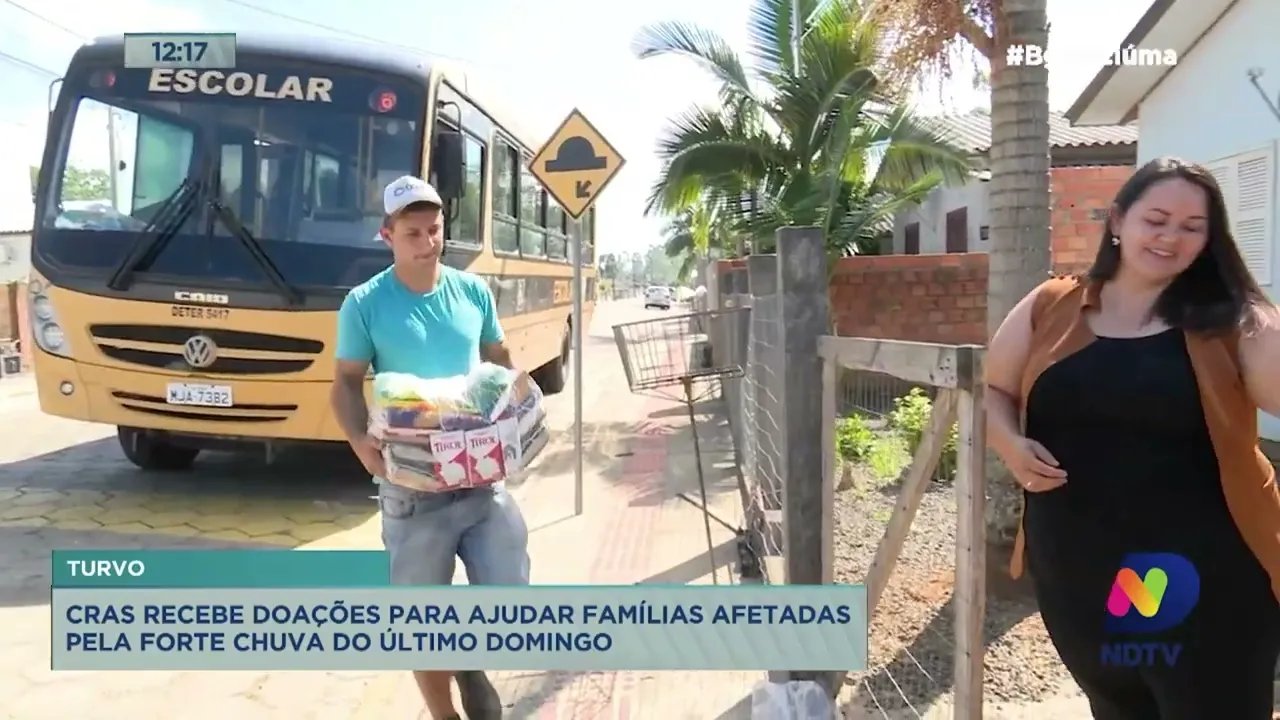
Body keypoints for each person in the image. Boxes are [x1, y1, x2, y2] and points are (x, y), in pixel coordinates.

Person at [985, 157, 1280, 719]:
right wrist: (1009, 444)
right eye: (1158, 218)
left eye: (1193, 227)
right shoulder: (1053, 305)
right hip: (1079, 579)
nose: (1171, 236)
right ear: (1118, 219)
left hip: (1207, 585)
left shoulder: (1233, 321)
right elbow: (995, 389)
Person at [330, 175, 529, 720]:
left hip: (480, 479)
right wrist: (361, 446)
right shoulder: (365, 303)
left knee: (511, 599)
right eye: (413, 232)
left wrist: (523, 408)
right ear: (387, 235)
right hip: (412, 491)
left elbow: (499, 360)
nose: (428, 242)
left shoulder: (472, 292)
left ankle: (468, 656)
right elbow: (346, 382)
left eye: (435, 230)